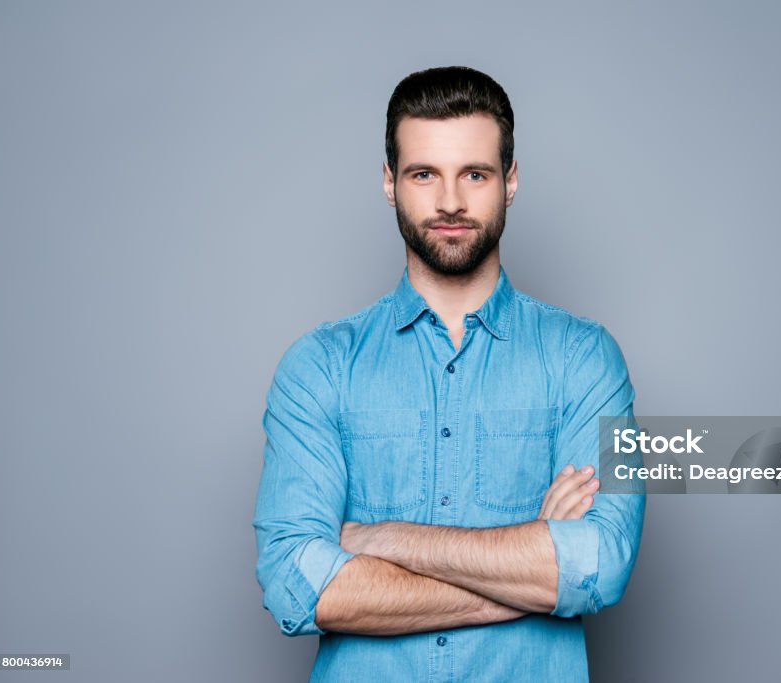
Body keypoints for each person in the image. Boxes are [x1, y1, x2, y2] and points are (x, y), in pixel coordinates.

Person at [253, 65, 645, 682]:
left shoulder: (585, 360)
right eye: (424, 174)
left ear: (510, 181)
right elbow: (297, 587)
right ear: (389, 182)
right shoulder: (318, 367)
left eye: (476, 174)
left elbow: (600, 563)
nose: (450, 202)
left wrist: (383, 538)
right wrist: (531, 568)